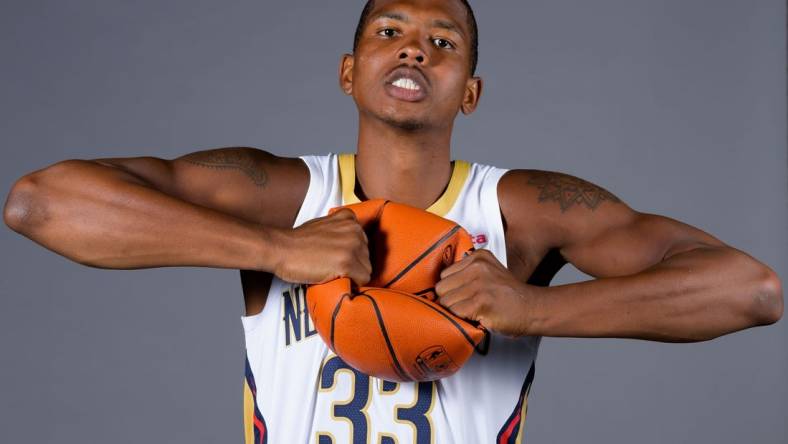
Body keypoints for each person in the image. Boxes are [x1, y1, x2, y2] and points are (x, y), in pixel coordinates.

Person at [3, 0, 783, 442]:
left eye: (442, 42)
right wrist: (275, 248)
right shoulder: (282, 196)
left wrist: (535, 307)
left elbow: (750, 291)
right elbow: (41, 202)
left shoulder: (524, 212)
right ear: (350, 74)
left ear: (469, 92)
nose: (415, 50)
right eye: (390, 32)